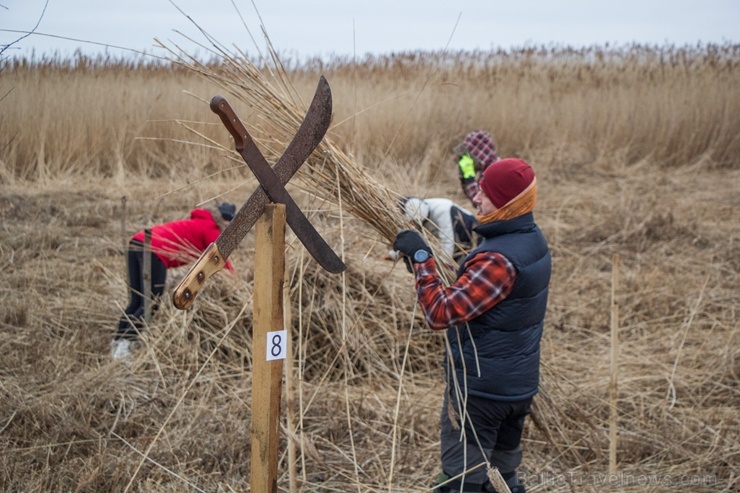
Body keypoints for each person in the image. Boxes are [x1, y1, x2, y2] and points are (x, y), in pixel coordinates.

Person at [393, 158, 551, 493]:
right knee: (503, 480)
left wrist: (423, 259)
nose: (476, 198)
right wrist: (427, 272)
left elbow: (440, 313)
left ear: (507, 202)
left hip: (481, 394)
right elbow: (477, 295)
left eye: (486, 192)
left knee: (461, 482)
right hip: (517, 388)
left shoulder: (497, 259)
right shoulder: (532, 240)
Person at [110, 201, 236, 359]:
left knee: (137, 301)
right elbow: (221, 258)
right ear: (223, 221)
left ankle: (118, 341)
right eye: (227, 225)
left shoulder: (199, 222)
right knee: (151, 302)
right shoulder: (211, 228)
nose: (226, 230)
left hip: (137, 242)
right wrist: (234, 282)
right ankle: (125, 345)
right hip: (154, 250)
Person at [386, 196, 479, 266]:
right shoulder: (416, 212)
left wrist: (444, 264)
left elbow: (448, 241)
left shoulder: (442, 210)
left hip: (470, 232)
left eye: (414, 222)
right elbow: (410, 240)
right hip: (457, 239)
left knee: (465, 263)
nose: (413, 225)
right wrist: (394, 255)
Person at [454, 130, 499, 205]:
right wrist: (465, 179)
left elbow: (481, 203)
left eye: (469, 155)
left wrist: (469, 179)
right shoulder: (487, 169)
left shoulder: (495, 171)